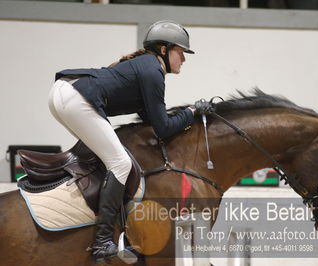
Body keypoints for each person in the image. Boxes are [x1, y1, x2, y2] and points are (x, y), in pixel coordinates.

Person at [48, 20, 213, 263]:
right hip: (74, 98)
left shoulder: (145, 68)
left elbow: (154, 122)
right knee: (121, 163)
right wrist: (192, 112)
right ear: (164, 50)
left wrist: (186, 116)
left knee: (109, 159)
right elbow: (164, 128)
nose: (184, 59)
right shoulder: (153, 71)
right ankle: (103, 241)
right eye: (181, 52)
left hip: (64, 93)